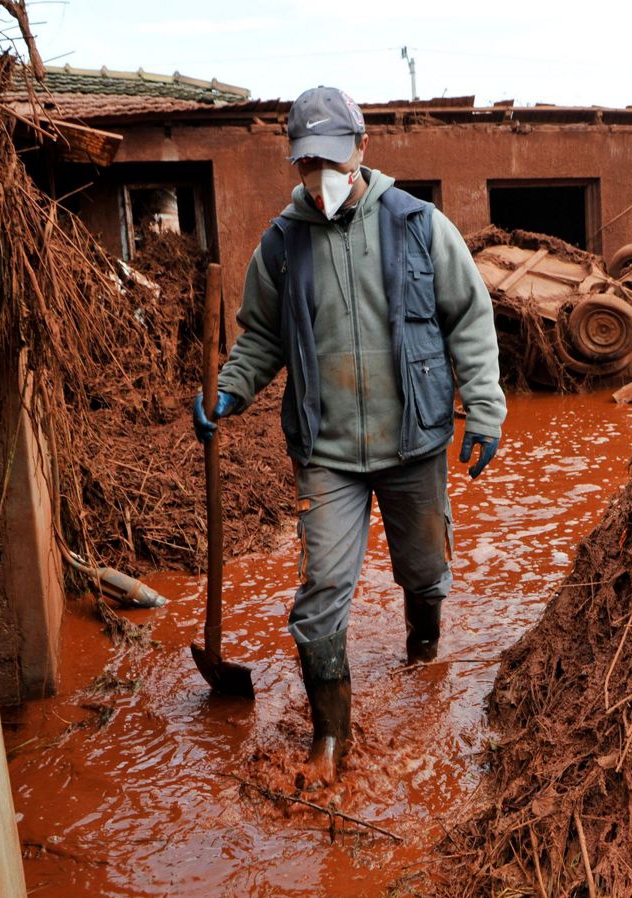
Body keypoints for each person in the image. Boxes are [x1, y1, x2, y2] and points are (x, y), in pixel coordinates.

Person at [192, 86, 506, 788]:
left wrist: (483, 408)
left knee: (425, 572)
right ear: (295, 162)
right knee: (322, 591)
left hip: (413, 442)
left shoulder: (418, 225)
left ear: (363, 149)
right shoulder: (280, 245)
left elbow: (469, 318)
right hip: (327, 452)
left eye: (334, 158)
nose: (322, 174)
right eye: (308, 161)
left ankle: (423, 654)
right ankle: (330, 737)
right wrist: (230, 391)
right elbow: (260, 339)